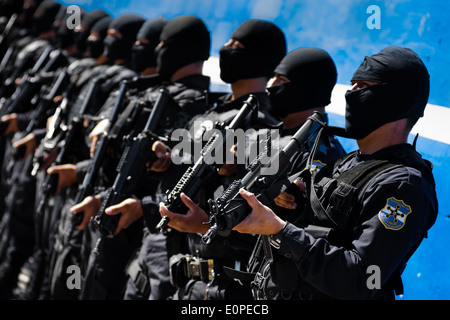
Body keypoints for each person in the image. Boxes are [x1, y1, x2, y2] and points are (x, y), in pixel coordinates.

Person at [233, 46, 438, 300]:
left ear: (395, 100)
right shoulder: (346, 164)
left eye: (363, 86)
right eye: (352, 84)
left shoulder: (404, 185)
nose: (351, 93)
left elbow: (361, 278)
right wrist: (286, 204)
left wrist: (279, 230)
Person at [69, 15, 211, 300]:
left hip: (144, 227)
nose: (154, 50)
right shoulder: (152, 93)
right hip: (117, 209)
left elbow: (178, 177)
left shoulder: (193, 105)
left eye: (158, 44)